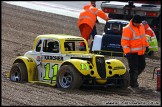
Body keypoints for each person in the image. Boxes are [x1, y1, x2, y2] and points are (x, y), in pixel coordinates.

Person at [121, 15, 149, 88]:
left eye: (138, 23)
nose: (137, 24)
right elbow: (124, 42)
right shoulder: (128, 29)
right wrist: (127, 53)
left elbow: (143, 38)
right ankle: (133, 83)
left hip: (140, 52)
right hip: (132, 53)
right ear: (133, 21)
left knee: (142, 66)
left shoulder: (141, 26)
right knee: (134, 69)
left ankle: (130, 79)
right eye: (136, 23)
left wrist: (147, 45)